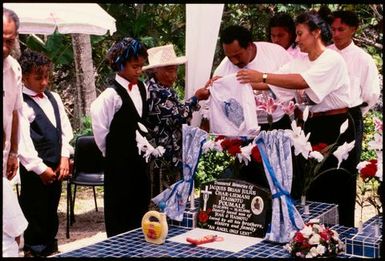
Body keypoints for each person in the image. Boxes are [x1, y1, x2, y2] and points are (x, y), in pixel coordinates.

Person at [236, 11, 357, 227]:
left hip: (335, 125)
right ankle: (309, 232)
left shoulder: (332, 59)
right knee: (306, 183)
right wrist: (233, 82)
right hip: (310, 125)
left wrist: (262, 76)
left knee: (331, 179)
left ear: (316, 32)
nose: (297, 39)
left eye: (300, 34)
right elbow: (274, 82)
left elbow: (300, 81)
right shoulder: (300, 61)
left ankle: (337, 232)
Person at [90, 37, 150, 237]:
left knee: (139, 205)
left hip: (139, 161)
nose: (139, 71)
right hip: (118, 163)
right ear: (119, 64)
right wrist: (114, 154)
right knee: (120, 210)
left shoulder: (142, 88)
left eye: (141, 66)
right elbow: (100, 129)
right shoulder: (110, 96)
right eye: (135, 66)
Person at [18, 49, 74, 257]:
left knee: (51, 211)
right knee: (35, 213)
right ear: (24, 77)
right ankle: (33, 250)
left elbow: (64, 129)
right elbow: (23, 141)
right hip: (35, 170)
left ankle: (50, 247)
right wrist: (40, 168)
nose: (44, 82)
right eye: (38, 78)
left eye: (46, 77)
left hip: (57, 166)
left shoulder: (54, 98)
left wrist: (64, 156)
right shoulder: (21, 103)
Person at [143, 44, 210, 197]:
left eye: (175, 70)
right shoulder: (155, 92)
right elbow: (177, 115)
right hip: (163, 157)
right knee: (163, 196)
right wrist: (196, 98)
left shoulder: (164, 89)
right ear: (155, 70)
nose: (173, 75)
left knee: (172, 195)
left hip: (172, 154)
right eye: (169, 70)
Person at [328, 10, 380, 181]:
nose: (336, 34)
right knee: (323, 170)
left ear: (353, 29)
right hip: (323, 120)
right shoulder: (324, 55)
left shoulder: (363, 59)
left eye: (341, 29)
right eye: (333, 29)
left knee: (346, 172)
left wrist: (353, 115)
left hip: (350, 117)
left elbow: (371, 94)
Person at [213, 25, 292, 131]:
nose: (234, 61)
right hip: (244, 127)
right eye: (229, 57)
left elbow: (291, 80)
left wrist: (260, 79)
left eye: (237, 55)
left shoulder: (276, 53)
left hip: (278, 121)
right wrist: (218, 86)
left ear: (249, 46)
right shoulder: (223, 69)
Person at [3, 8, 28, 257]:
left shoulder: (14, 69)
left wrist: (13, 152)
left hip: (3, 157)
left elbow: (14, 112)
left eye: (9, 41)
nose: (3, 47)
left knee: (12, 234)